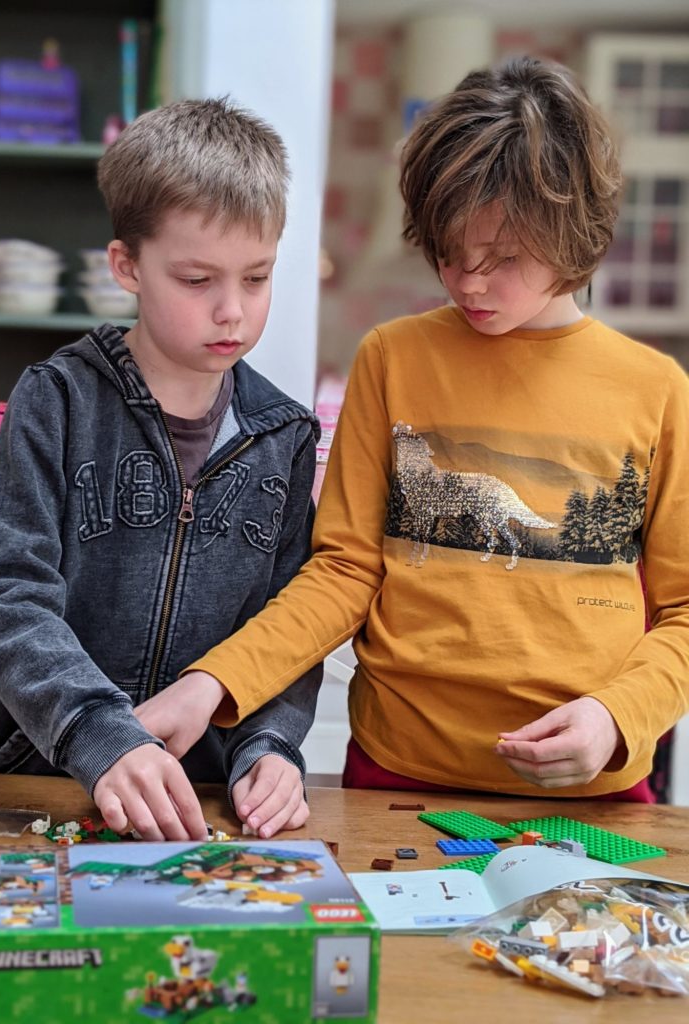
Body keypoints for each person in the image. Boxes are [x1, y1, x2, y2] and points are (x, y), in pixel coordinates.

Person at [150, 56, 689, 807]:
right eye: (448, 253)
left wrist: (617, 716)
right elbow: (343, 571)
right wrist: (215, 681)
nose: (468, 281)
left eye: (502, 258)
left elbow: (683, 614)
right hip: (396, 774)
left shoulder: (656, 390)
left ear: (573, 233)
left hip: (590, 786)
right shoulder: (392, 358)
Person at [0, 98, 322, 841]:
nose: (232, 311)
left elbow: (287, 624)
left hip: (206, 802)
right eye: (196, 280)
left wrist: (271, 747)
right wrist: (99, 733)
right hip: (51, 781)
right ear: (126, 266)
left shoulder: (284, 436)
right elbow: (7, 597)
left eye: (256, 278)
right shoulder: (56, 401)